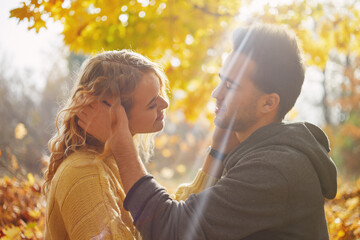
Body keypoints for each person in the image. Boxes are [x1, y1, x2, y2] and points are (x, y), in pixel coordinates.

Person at [79, 24, 338, 239]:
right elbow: (200, 222)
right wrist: (218, 151)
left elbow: (174, 231)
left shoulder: (274, 169)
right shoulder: (262, 154)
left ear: (268, 103)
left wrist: (123, 146)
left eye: (230, 86)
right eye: (220, 80)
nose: (216, 94)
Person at [44, 49, 175, 239]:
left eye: (160, 93)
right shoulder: (83, 172)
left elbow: (170, 218)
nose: (165, 104)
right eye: (152, 103)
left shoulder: (111, 162)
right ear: (114, 112)